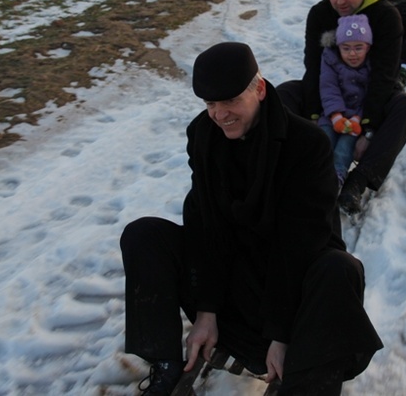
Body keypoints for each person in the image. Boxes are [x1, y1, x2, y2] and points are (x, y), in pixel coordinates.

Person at [120, 42, 383, 396]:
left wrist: (282, 333)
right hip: (236, 285)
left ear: (259, 89)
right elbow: (204, 224)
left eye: (230, 101)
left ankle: (304, 383)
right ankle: (167, 365)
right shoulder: (202, 135)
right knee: (144, 235)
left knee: (340, 268)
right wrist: (206, 311)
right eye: (211, 104)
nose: (219, 114)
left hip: (295, 293)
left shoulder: (306, 145)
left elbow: (300, 243)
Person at [276, 0, 406, 214]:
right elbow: (314, 68)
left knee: (404, 106)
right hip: (331, 90)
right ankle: (291, 166)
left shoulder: (385, 16)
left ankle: (358, 181)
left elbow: (384, 76)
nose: (339, 1)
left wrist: (368, 130)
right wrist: (314, 118)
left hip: (369, 93)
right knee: (284, 93)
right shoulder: (320, 14)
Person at [318, 14, 373, 189]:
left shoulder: (371, 66)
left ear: (368, 47)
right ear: (338, 47)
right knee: (324, 141)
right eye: (346, 48)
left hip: (356, 118)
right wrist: (335, 116)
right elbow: (328, 88)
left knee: (344, 147)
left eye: (359, 48)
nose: (352, 54)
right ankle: (315, 174)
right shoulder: (330, 61)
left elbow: (370, 97)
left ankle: (337, 178)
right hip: (331, 114)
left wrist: (357, 119)